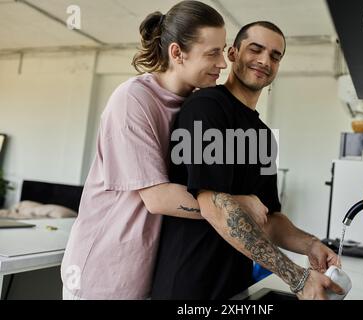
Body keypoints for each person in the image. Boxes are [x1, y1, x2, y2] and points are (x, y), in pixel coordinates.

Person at [60, 1, 268, 300]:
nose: (223, 63)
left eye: (222, 51)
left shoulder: (196, 106)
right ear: (176, 53)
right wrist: (239, 206)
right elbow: (158, 199)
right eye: (212, 53)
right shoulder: (133, 100)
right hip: (103, 275)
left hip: (147, 274)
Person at [151, 21, 344, 300]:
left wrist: (311, 245)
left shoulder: (265, 137)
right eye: (256, 49)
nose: (265, 60)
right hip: (189, 287)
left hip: (236, 288)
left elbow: (271, 219)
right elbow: (213, 204)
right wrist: (298, 278)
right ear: (232, 54)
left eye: (275, 56)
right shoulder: (206, 108)